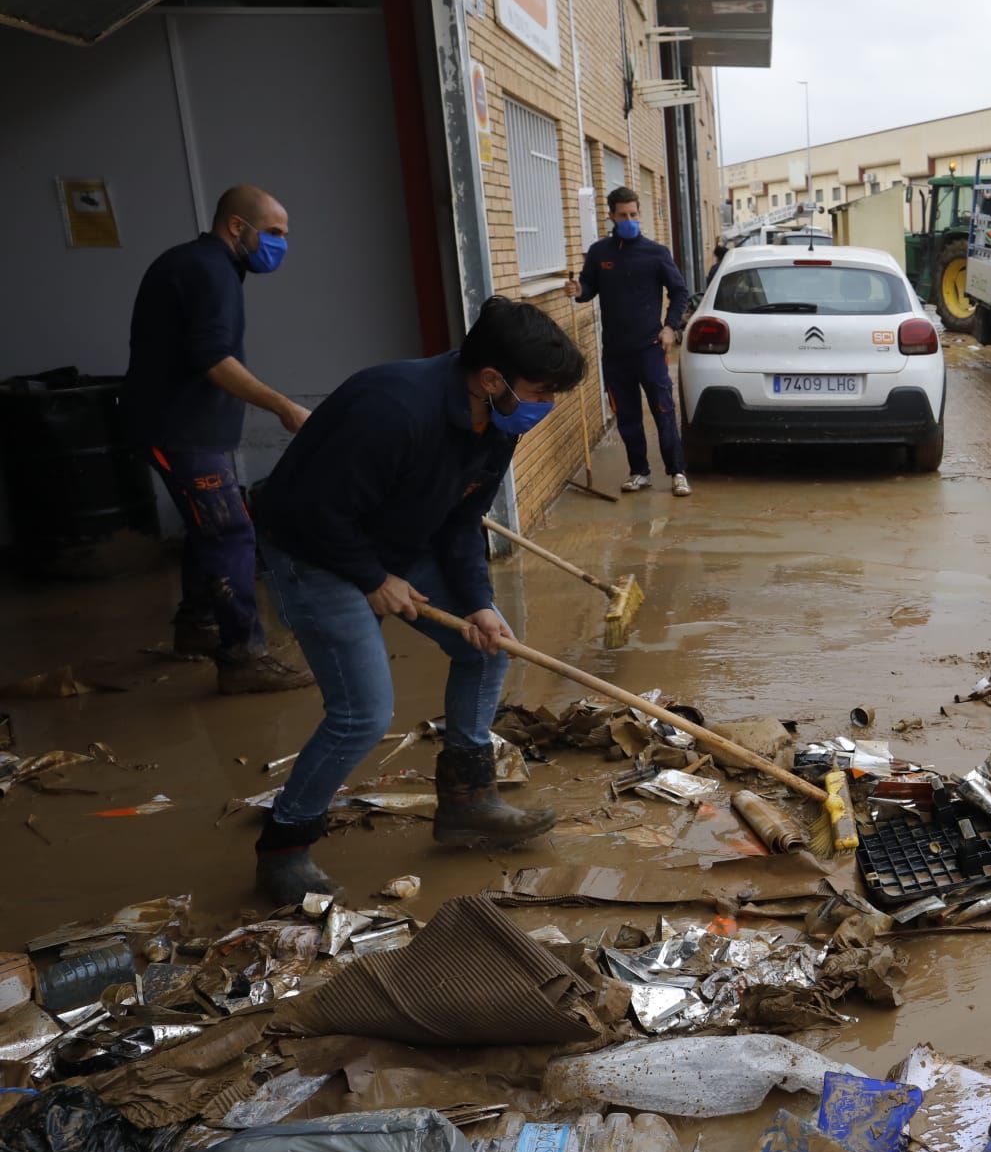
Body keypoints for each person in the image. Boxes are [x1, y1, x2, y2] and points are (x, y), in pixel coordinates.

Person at [248, 296, 586, 903]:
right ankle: (284, 846)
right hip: (311, 546)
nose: (546, 406)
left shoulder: (496, 421)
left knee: (487, 645)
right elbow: (308, 510)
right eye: (540, 391)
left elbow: (462, 521)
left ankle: (467, 800)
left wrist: (478, 602)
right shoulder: (390, 407)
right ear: (491, 378)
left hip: (393, 539)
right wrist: (374, 578)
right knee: (362, 714)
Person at [124, 184, 314, 694]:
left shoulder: (204, 266)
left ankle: (197, 626)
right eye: (273, 233)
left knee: (207, 527)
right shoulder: (208, 271)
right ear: (236, 226)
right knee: (230, 533)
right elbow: (213, 360)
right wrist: (285, 406)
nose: (281, 245)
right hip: (179, 430)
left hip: (188, 428)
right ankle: (241, 656)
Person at [565, 188, 692, 497]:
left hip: (649, 347)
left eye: (634, 215)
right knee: (627, 416)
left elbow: (680, 292)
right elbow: (588, 290)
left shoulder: (656, 253)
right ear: (611, 216)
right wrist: (576, 290)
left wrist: (669, 327)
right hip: (615, 352)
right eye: (623, 215)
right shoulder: (599, 253)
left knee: (663, 410)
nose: (630, 220)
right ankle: (639, 472)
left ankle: (677, 472)